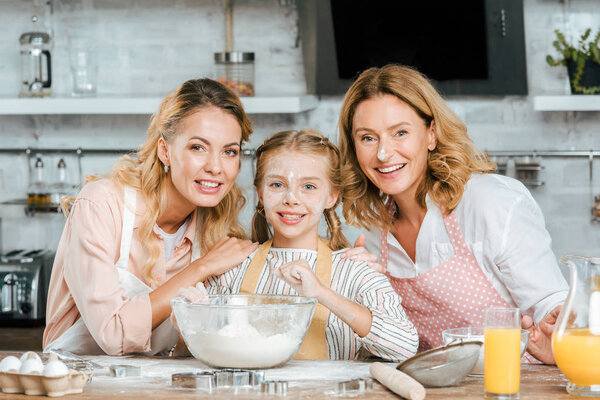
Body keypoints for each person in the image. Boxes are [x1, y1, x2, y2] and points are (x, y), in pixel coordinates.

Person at [337, 64, 568, 364]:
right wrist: (357, 289)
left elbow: (553, 306)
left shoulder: (490, 202)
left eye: (400, 133)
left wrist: (561, 336)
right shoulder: (370, 233)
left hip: (515, 387)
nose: (383, 153)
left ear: (431, 134)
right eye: (368, 137)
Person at [43, 78, 259, 356]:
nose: (216, 167)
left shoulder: (214, 231)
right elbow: (112, 334)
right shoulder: (102, 205)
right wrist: (201, 268)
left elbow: (199, 349)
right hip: (78, 387)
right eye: (198, 147)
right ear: (165, 151)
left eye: (229, 151)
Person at [204, 129, 419, 361]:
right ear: (261, 194)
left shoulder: (356, 272)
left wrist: (322, 293)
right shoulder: (232, 269)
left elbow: (404, 346)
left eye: (309, 187)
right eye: (277, 185)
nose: (291, 198)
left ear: (332, 196)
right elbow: (205, 348)